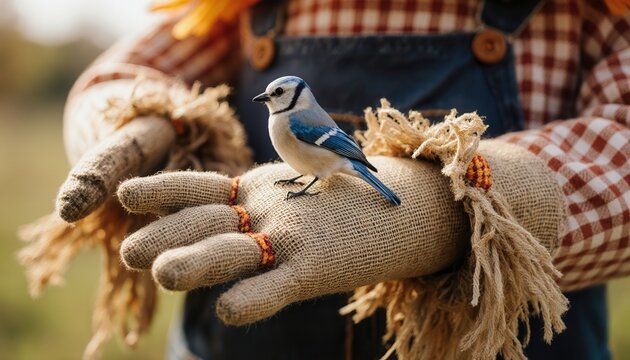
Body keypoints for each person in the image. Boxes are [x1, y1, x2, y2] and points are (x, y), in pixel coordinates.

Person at [52, 0, 630, 359]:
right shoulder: (234, 11)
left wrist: (440, 209)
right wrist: (149, 119)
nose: (270, 99)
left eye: (279, 94)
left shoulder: (586, 11)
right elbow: (131, 70)